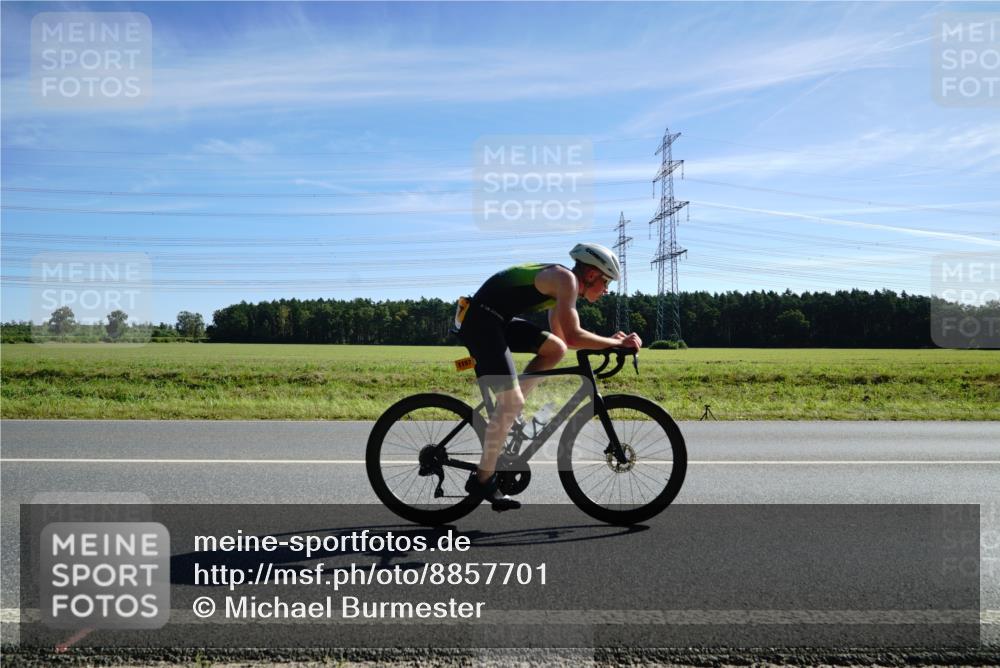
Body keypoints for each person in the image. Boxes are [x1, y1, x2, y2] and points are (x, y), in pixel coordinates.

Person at [456, 243, 643, 511]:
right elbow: (575, 334)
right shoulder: (565, 279)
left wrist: (609, 342)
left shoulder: (563, 288)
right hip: (481, 321)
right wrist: (614, 344)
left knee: (555, 349)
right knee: (512, 402)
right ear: (591, 274)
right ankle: (483, 480)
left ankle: (509, 409)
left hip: (494, 319)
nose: (606, 290)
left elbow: (564, 338)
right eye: (605, 282)